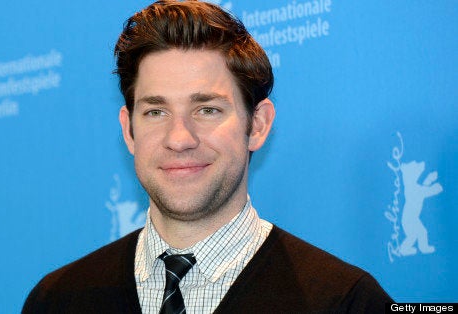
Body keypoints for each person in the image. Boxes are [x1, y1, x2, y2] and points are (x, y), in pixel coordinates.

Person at [23, 1, 393, 313]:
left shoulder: (345, 302)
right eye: (156, 112)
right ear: (128, 130)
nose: (179, 138)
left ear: (258, 125)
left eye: (207, 110)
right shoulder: (57, 300)